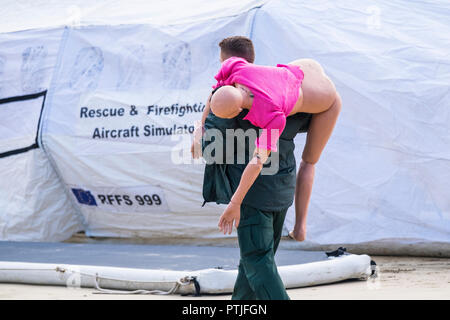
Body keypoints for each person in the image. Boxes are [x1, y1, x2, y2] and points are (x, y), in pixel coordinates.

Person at [191, 36, 341, 300]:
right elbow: (214, 92)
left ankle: (302, 226)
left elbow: (257, 162)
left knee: (310, 161)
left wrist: (235, 202)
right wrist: (198, 130)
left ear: (238, 108)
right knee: (255, 260)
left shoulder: (273, 114)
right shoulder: (234, 69)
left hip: (325, 96)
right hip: (294, 71)